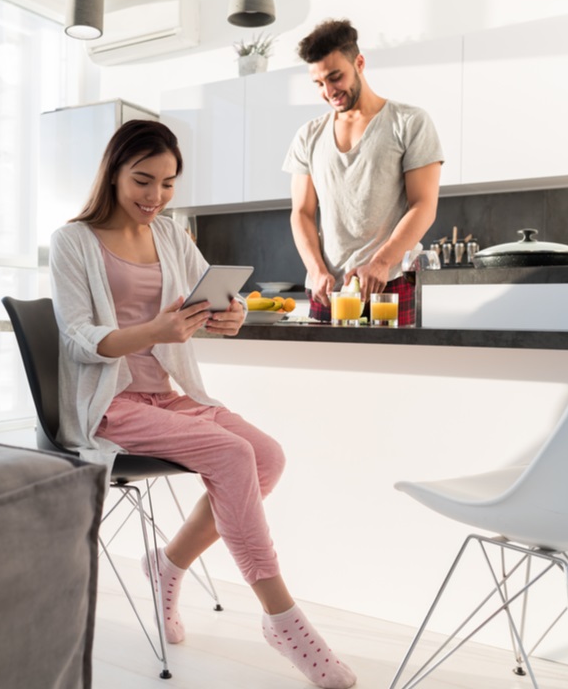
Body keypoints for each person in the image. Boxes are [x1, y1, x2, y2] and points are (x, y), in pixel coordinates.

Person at [50, 119, 357, 689]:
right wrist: (155, 331)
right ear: (113, 172)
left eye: (168, 184)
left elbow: (214, 303)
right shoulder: (72, 241)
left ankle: (166, 566)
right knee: (233, 455)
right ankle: (282, 621)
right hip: (110, 404)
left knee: (266, 456)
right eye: (143, 181)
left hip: (168, 396)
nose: (155, 197)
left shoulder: (170, 235)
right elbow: (77, 336)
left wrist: (231, 314)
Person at [285, 19, 443, 325]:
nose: (329, 91)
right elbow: (301, 212)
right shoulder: (308, 135)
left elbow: (424, 205)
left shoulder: (410, 122)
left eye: (335, 77)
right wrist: (316, 270)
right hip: (328, 291)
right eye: (319, 83)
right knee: (324, 374)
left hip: (391, 283)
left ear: (359, 62)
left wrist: (381, 263)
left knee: (400, 373)